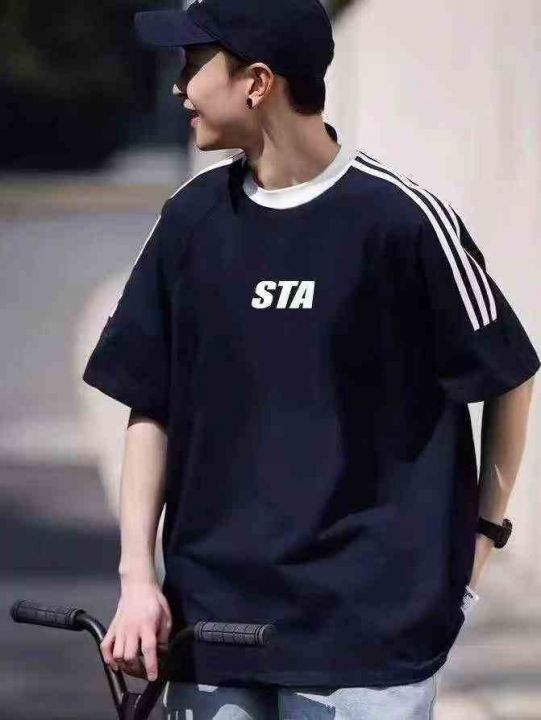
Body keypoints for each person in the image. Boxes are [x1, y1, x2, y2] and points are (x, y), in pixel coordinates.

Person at [81, 0, 540, 717]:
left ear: (257, 82)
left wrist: (480, 542)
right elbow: (151, 402)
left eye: (193, 63)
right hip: (210, 632)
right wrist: (137, 579)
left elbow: (509, 375)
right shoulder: (189, 223)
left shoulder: (401, 222)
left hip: (369, 646)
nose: (178, 86)